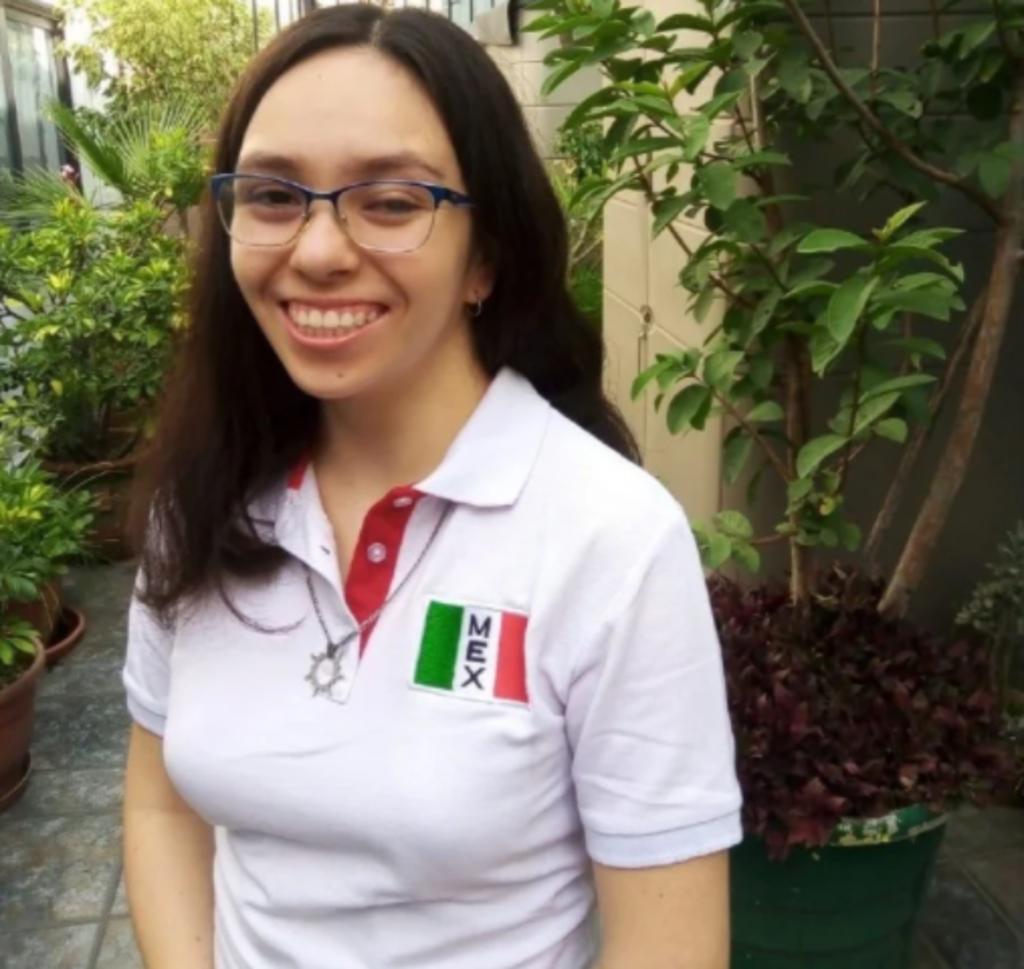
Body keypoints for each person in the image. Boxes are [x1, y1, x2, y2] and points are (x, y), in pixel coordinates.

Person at [120, 5, 742, 968]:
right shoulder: (203, 499)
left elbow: (669, 943)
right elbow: (161, 802)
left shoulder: (609, 539)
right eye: (275, 195)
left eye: (391, 202)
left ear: (485, 255)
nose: (318, 252)